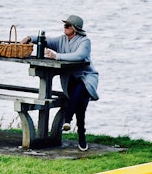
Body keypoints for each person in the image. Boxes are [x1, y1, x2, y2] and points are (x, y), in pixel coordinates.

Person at [24, 15, 99, 151]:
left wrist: (56, 56)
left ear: (75, 29)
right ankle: (81, 134)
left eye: (67, 26)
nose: (64, 28)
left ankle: (68, 120)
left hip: (86, 78)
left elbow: (79, 56)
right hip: (69, 79)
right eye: (65, 26)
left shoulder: (85, 41)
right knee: (80, 102)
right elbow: (47, 41)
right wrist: (30, 38)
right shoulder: (62, 40)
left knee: (80, 90)